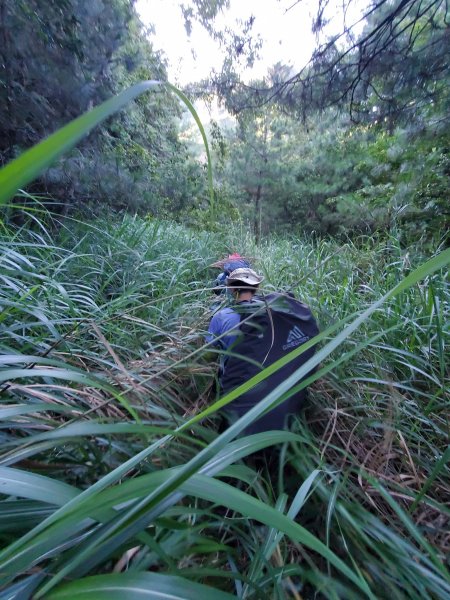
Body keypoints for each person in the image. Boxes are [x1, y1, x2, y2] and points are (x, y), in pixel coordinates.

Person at [206, 267, 319, 434]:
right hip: (280, 395)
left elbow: (209, 355)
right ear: (257, 288)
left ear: (231, 289)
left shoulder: (221, 317)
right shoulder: (273, 313)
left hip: (238, 398)